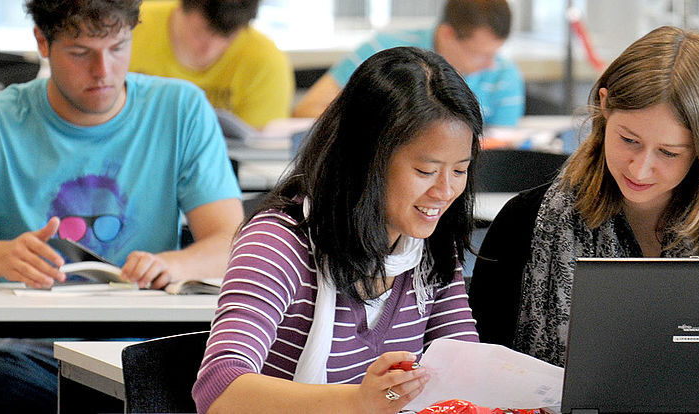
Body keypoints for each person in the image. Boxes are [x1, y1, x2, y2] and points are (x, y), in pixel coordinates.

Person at [0, 0, 244, 411]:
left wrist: (175, 265)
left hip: (143, 353)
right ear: (42, 41)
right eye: (80, 52)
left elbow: (230, 245)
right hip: (28, 353)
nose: (104, 71)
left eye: (118, 47)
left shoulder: (180, 109)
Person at [468, 26, 699, 366]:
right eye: (629, 140)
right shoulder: (523, 221)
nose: (640, 169)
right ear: (604, 105)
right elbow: (483, 367)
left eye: (669, 153)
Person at [193, 46, 482, 413]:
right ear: (367, 159)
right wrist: (358, 401)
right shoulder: (279, 243)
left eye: (460, 171)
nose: (444, 192)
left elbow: (468, 374)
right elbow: (220, 392)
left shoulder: (429, 243)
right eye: (425, 171)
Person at [292, 0, 524, 127]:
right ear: (447, 35)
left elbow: (499, 147)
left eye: (495, 52)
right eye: (479, 53)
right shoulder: (384, 52)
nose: (491, 64)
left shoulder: (505, 74)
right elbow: (306, 110)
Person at [130, 0, 293, 130]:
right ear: (181, 9)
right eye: (199, 33)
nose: (209, 49)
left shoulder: (266, 60)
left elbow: (259, 148)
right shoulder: (132, 27)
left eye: (226, 37)